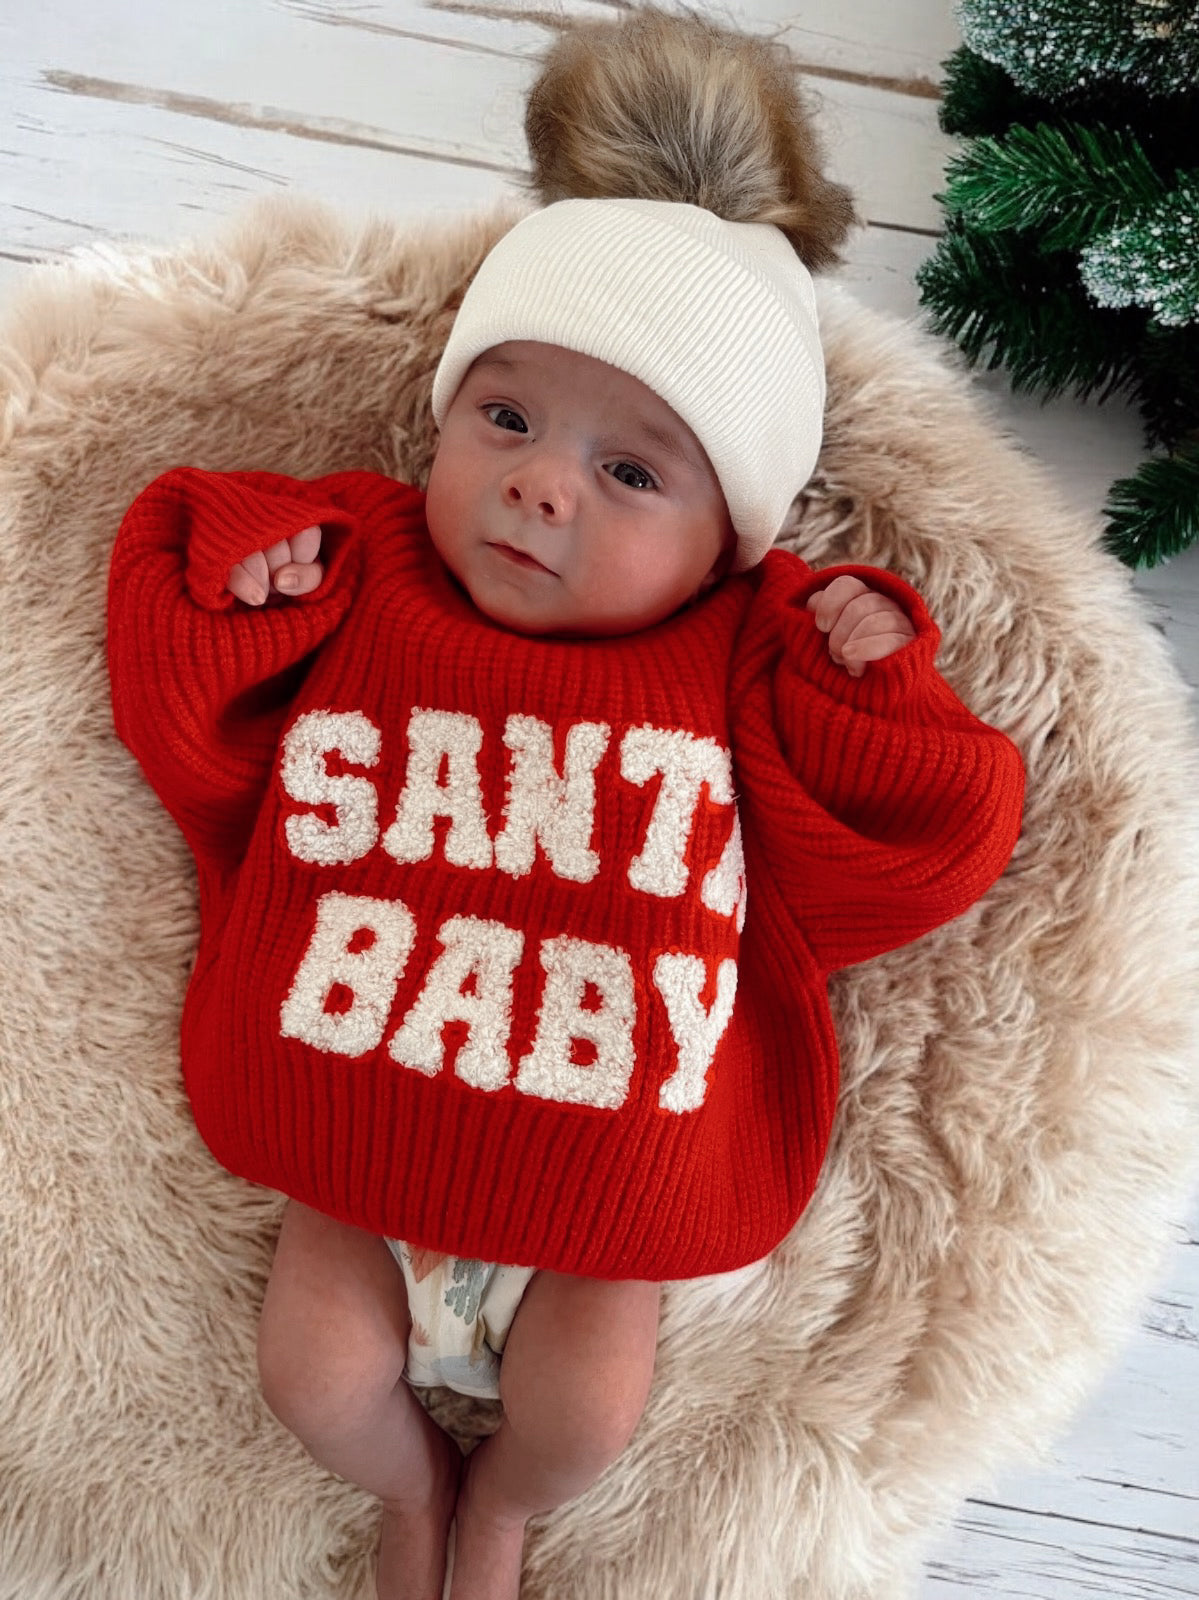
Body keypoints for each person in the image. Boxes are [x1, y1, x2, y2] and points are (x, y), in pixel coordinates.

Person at [106, 12, 1025, 1600]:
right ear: (446, 416)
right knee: (315, 1380)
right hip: (358, 1146)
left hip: (600, 1201)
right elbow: (191, 708)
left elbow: (919, 845)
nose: (542, 485)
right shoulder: (371, 560)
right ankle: (410, 1500)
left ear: (734, 535)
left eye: (633, 472)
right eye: (510, 418)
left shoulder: (746, 651)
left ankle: (508, 1514)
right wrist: (242, 574)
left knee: (585, 1420)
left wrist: (875, 691)